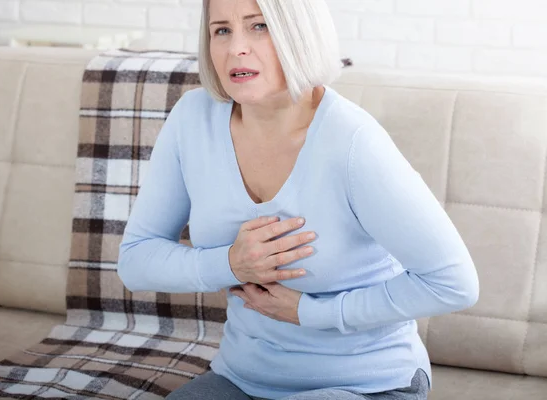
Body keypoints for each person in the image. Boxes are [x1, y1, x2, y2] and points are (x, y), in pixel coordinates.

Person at [117, 0, 480, 399]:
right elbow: (136, 261)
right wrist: (231, 263)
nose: (236, 47)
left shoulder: (352, 141)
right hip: (241, 378)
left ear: (298, 34)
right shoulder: (192, 119)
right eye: (222, 30)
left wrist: (312, 313)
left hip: (366, 384)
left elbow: (454, 283)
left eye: (259, 27)